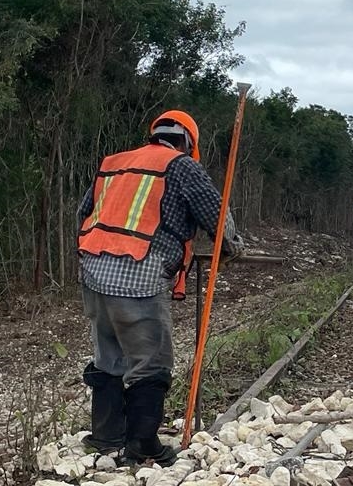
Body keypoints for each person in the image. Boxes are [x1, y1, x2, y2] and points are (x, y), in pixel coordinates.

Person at [77, 109, 243, 465]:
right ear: (187, 143)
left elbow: (85, 213)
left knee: (108, 355)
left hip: (92, 270)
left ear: (155, 134)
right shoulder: (181, 166)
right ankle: (142, 446)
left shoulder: (115, 162)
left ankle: (106, 437)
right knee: (151, 361)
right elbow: (217, 219)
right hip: (138, 275)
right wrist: (232, 246)